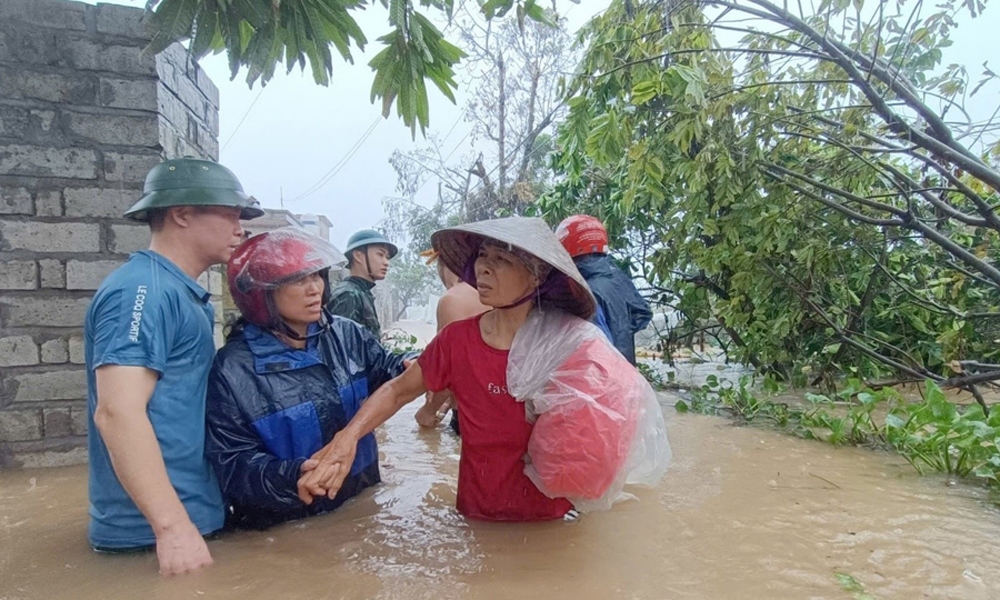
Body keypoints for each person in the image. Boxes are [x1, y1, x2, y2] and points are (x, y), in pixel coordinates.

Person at [298, 217, 602, 522]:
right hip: (477, 517)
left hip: (551, 524)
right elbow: (397, 390)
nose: (483, 267)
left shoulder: (566, 347)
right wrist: (347, 438)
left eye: (501, 259)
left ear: (537, 276)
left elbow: (601, 439)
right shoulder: (457, 341)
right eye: (483, 255)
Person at [84, 157, 263, 575]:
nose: (240, 228)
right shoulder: (141, 291)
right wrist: (172, 527)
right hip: (151, 539)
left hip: (191, 522)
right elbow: (117, 412)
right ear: (181, 214)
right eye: (229, 214)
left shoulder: (178, 292)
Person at [206, 228, 408, 530]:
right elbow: (232, 463)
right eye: (299, 280)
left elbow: (393, 372)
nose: (315, 289)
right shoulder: (233, 370)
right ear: (262, 294)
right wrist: (293, 475)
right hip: (287, 527)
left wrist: (418, 364)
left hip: (362, 507)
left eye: (317, 276)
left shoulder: (346, 334)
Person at [556, 215, 652, 365]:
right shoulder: (618, 277)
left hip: (599, 377)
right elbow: (643, 313)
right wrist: (620, 331)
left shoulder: (581, 291)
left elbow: (586, 348)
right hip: (626, 369)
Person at [413, 250, 489, 433]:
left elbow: (450, 368)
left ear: (442, 265)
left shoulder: (452, 299)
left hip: (469, 418)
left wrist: (428, 411)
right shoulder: (497, 295)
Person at [326, 229, 398, 338]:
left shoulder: (361, 292)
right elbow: (345, 350)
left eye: (387, 257)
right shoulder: (348, 295)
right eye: (380, 254)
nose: (386, 262)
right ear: (358, 256)